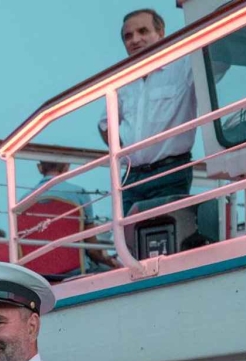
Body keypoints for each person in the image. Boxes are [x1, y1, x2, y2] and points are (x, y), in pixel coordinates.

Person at [99, 9, 197, 215]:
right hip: (129, 178)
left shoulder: (183, 65)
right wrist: (124, 150)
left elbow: (219, 62)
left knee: (165, 238)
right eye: (128, 36)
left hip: (169, 173)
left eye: (143, 31)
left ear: (160, 33)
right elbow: (105, 123)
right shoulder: (121, 81)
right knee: (129, 242)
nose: (135, 40)